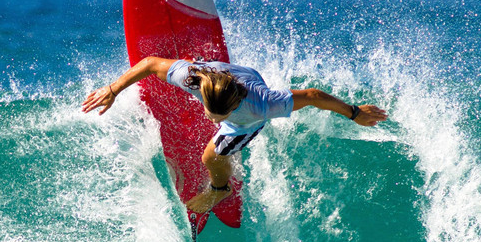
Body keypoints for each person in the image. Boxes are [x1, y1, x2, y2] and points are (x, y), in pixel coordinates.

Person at [81, 57, 388, 214]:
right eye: (210, 110)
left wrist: (354, 112)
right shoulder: (194, 77)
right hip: (224, 75)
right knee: (176, 68)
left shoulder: (265, 106)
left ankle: (220, 188)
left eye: (217, 115)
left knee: (211, 156)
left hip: (246, 118)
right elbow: (149, 64)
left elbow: (313, 95)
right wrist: (113, 89)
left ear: (232, 109)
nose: (209, 117)